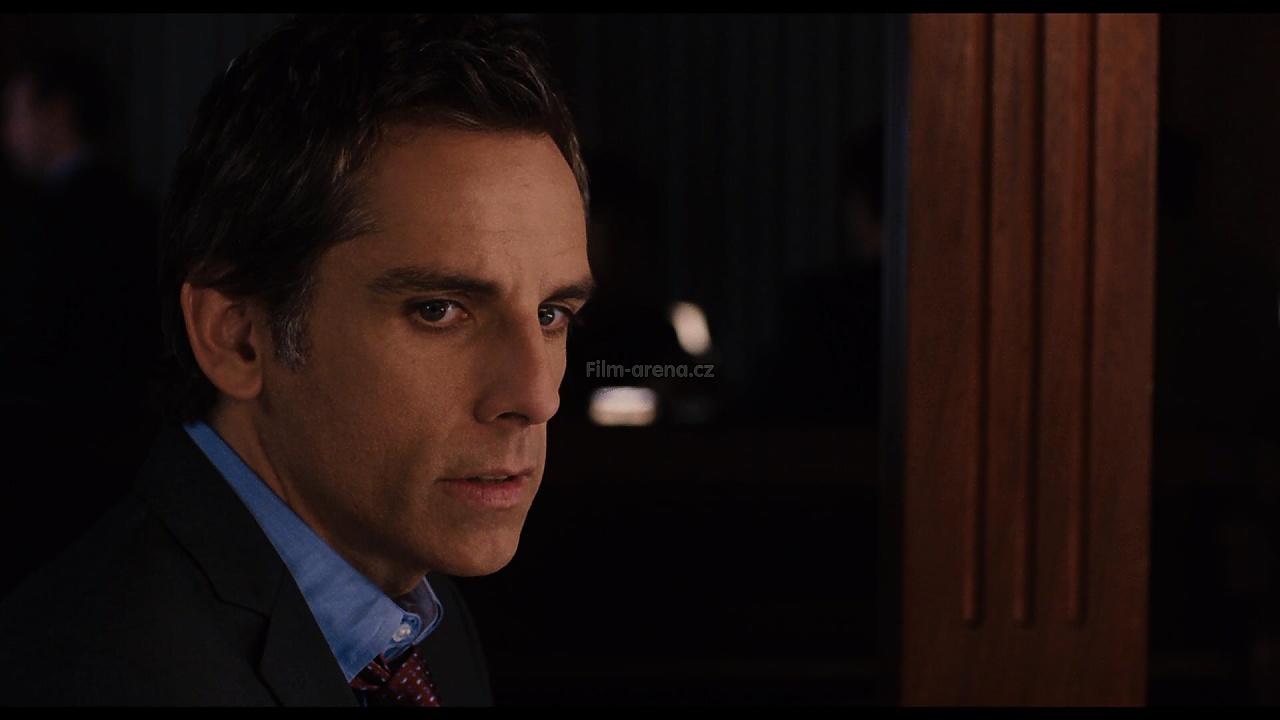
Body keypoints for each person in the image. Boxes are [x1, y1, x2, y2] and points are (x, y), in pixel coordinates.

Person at [0, 13, 593, 707]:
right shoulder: (102, 674)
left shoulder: (419, 618)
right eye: (439, 310)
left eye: (551, 314)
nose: (536, 395)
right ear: (237, 336)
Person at [0, 47, 161, 599]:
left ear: (57, 111)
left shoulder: (52, 222)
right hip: (119, 459)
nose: (9, 132)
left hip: (52, 463)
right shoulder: (134, 207)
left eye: (15, 112)